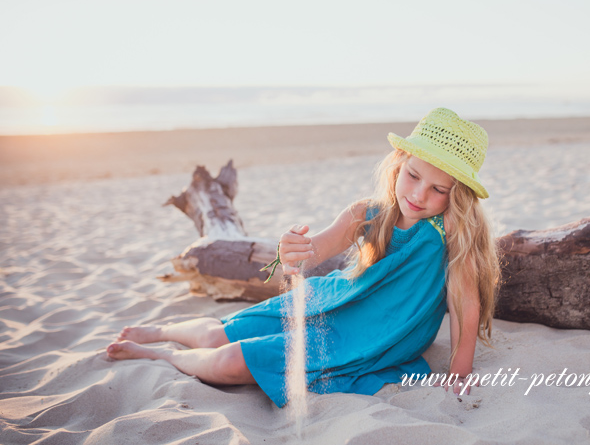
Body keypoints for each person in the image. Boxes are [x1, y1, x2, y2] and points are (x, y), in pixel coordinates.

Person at [107, 107, 500, 407]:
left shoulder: (452, 237)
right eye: (413, 176)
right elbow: (313, 253)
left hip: (369, 335)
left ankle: (159, 355)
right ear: (398, 164)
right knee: (214, 334)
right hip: (330, 299)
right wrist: (290, 251)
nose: (418, 195)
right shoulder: (367, 212)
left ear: (457, 195)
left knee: (230, 363)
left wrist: (459, 371)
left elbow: (463, 303)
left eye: (438, 189)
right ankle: (164, 333)